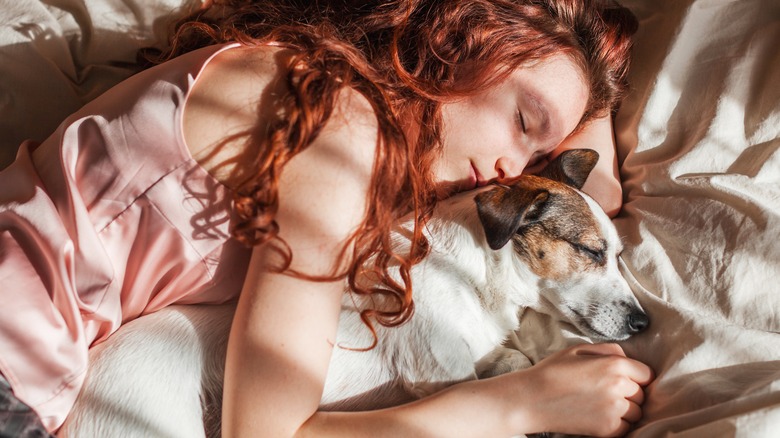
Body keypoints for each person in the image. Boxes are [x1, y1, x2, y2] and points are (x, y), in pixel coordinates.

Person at [0, 0, 653, 436]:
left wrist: (590, 86)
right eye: (523, 121)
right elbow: (268, 434)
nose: (515, 169)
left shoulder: (313, 85)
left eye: (540, 152)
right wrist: (521, 404)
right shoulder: (340, 129)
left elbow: (598, 196)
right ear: (459, 39)